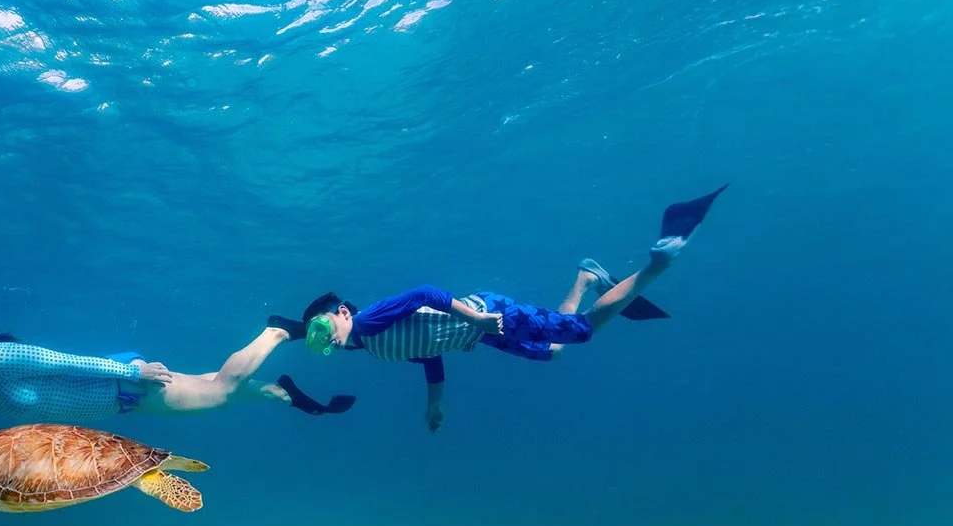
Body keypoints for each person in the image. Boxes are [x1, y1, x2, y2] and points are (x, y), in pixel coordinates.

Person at [284, 185, 725, 433]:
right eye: (318, 342)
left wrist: (475, 317)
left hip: (489, 314)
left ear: (341, 313)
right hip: (485, 334)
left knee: (581, 332)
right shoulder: (373, 347)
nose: (327, 341)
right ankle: (586, 277)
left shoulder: (368, 319)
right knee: (555, 350)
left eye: (323, 327)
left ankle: (657, 262)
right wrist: (433, 404)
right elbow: (429, 357)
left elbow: (424, 292)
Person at [0, 286, 353, 423]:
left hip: (125, 385)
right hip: (120, 392)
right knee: (209, 386)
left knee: (219, 390)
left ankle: (276, 333)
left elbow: (66, 362)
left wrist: (132, 371)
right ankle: (285, 395)